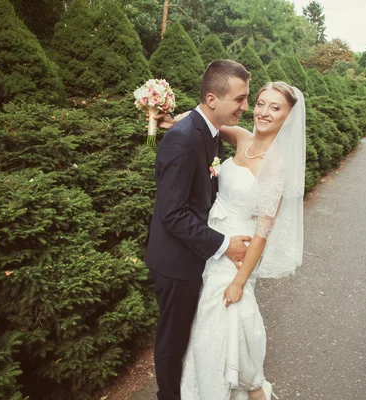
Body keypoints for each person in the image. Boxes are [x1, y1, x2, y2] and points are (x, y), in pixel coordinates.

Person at [168, 82, 306, 399]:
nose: (263, 112)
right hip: (214, 242)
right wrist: (168, 117)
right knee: (220, 330)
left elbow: (261, 234)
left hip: (238, 256)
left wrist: (240, 282)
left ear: (288, 117)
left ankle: (242, 389)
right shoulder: (243, 138)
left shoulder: (277, 167)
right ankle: (252, 388)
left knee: (216, 329)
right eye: (260, 103)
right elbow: (206, 120)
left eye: (275, 108)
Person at [145, 59, 255, 400]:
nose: (245, 106)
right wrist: (224, 244)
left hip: (195, 257)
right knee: (172, 341)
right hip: (176, 262)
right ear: (212, 99)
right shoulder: (183, 139)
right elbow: (173, 214)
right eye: (239, 99)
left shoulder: (208, 131)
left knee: (188, 336)